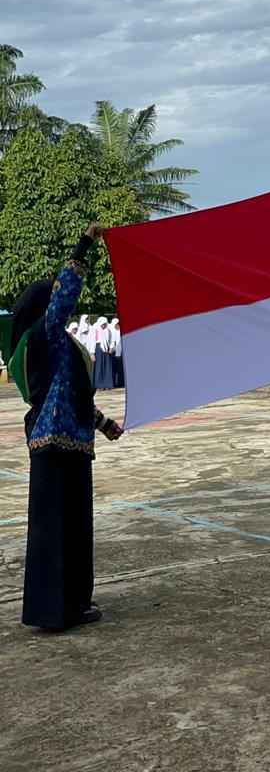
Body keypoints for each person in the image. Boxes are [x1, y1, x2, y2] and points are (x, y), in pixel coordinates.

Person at [8, 226, 123, 631]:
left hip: (64, 445)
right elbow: (62, 297)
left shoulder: (43, 348)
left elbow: (70, 395)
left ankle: (62, 607)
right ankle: (60, 609)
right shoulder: (46, 337)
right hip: (59, 449)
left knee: (60, 528)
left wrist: (104, 424)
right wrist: (85, 244)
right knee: (62, 530)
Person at [92, 317, 114, 389]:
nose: (104, 326)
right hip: (98, 349)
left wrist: (111, 348)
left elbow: (111, 340)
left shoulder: (108, 331)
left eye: (105, 324)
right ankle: (99, 385)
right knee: (99, 367)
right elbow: (92, 341)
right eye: (102, 324)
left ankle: (108, 384)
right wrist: (92, 353)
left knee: (107, 367)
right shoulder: (96, 330)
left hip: (106, 349)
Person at [109, 317, 125, 388]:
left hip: (121, 352)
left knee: (121, 368)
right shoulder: (112, 331)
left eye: (118, 324)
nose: (117, 325)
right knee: (115, 369)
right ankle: (115, 383)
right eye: (116, 324)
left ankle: (121, 383)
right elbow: (112, 342)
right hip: (115, 353)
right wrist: (112, 348)